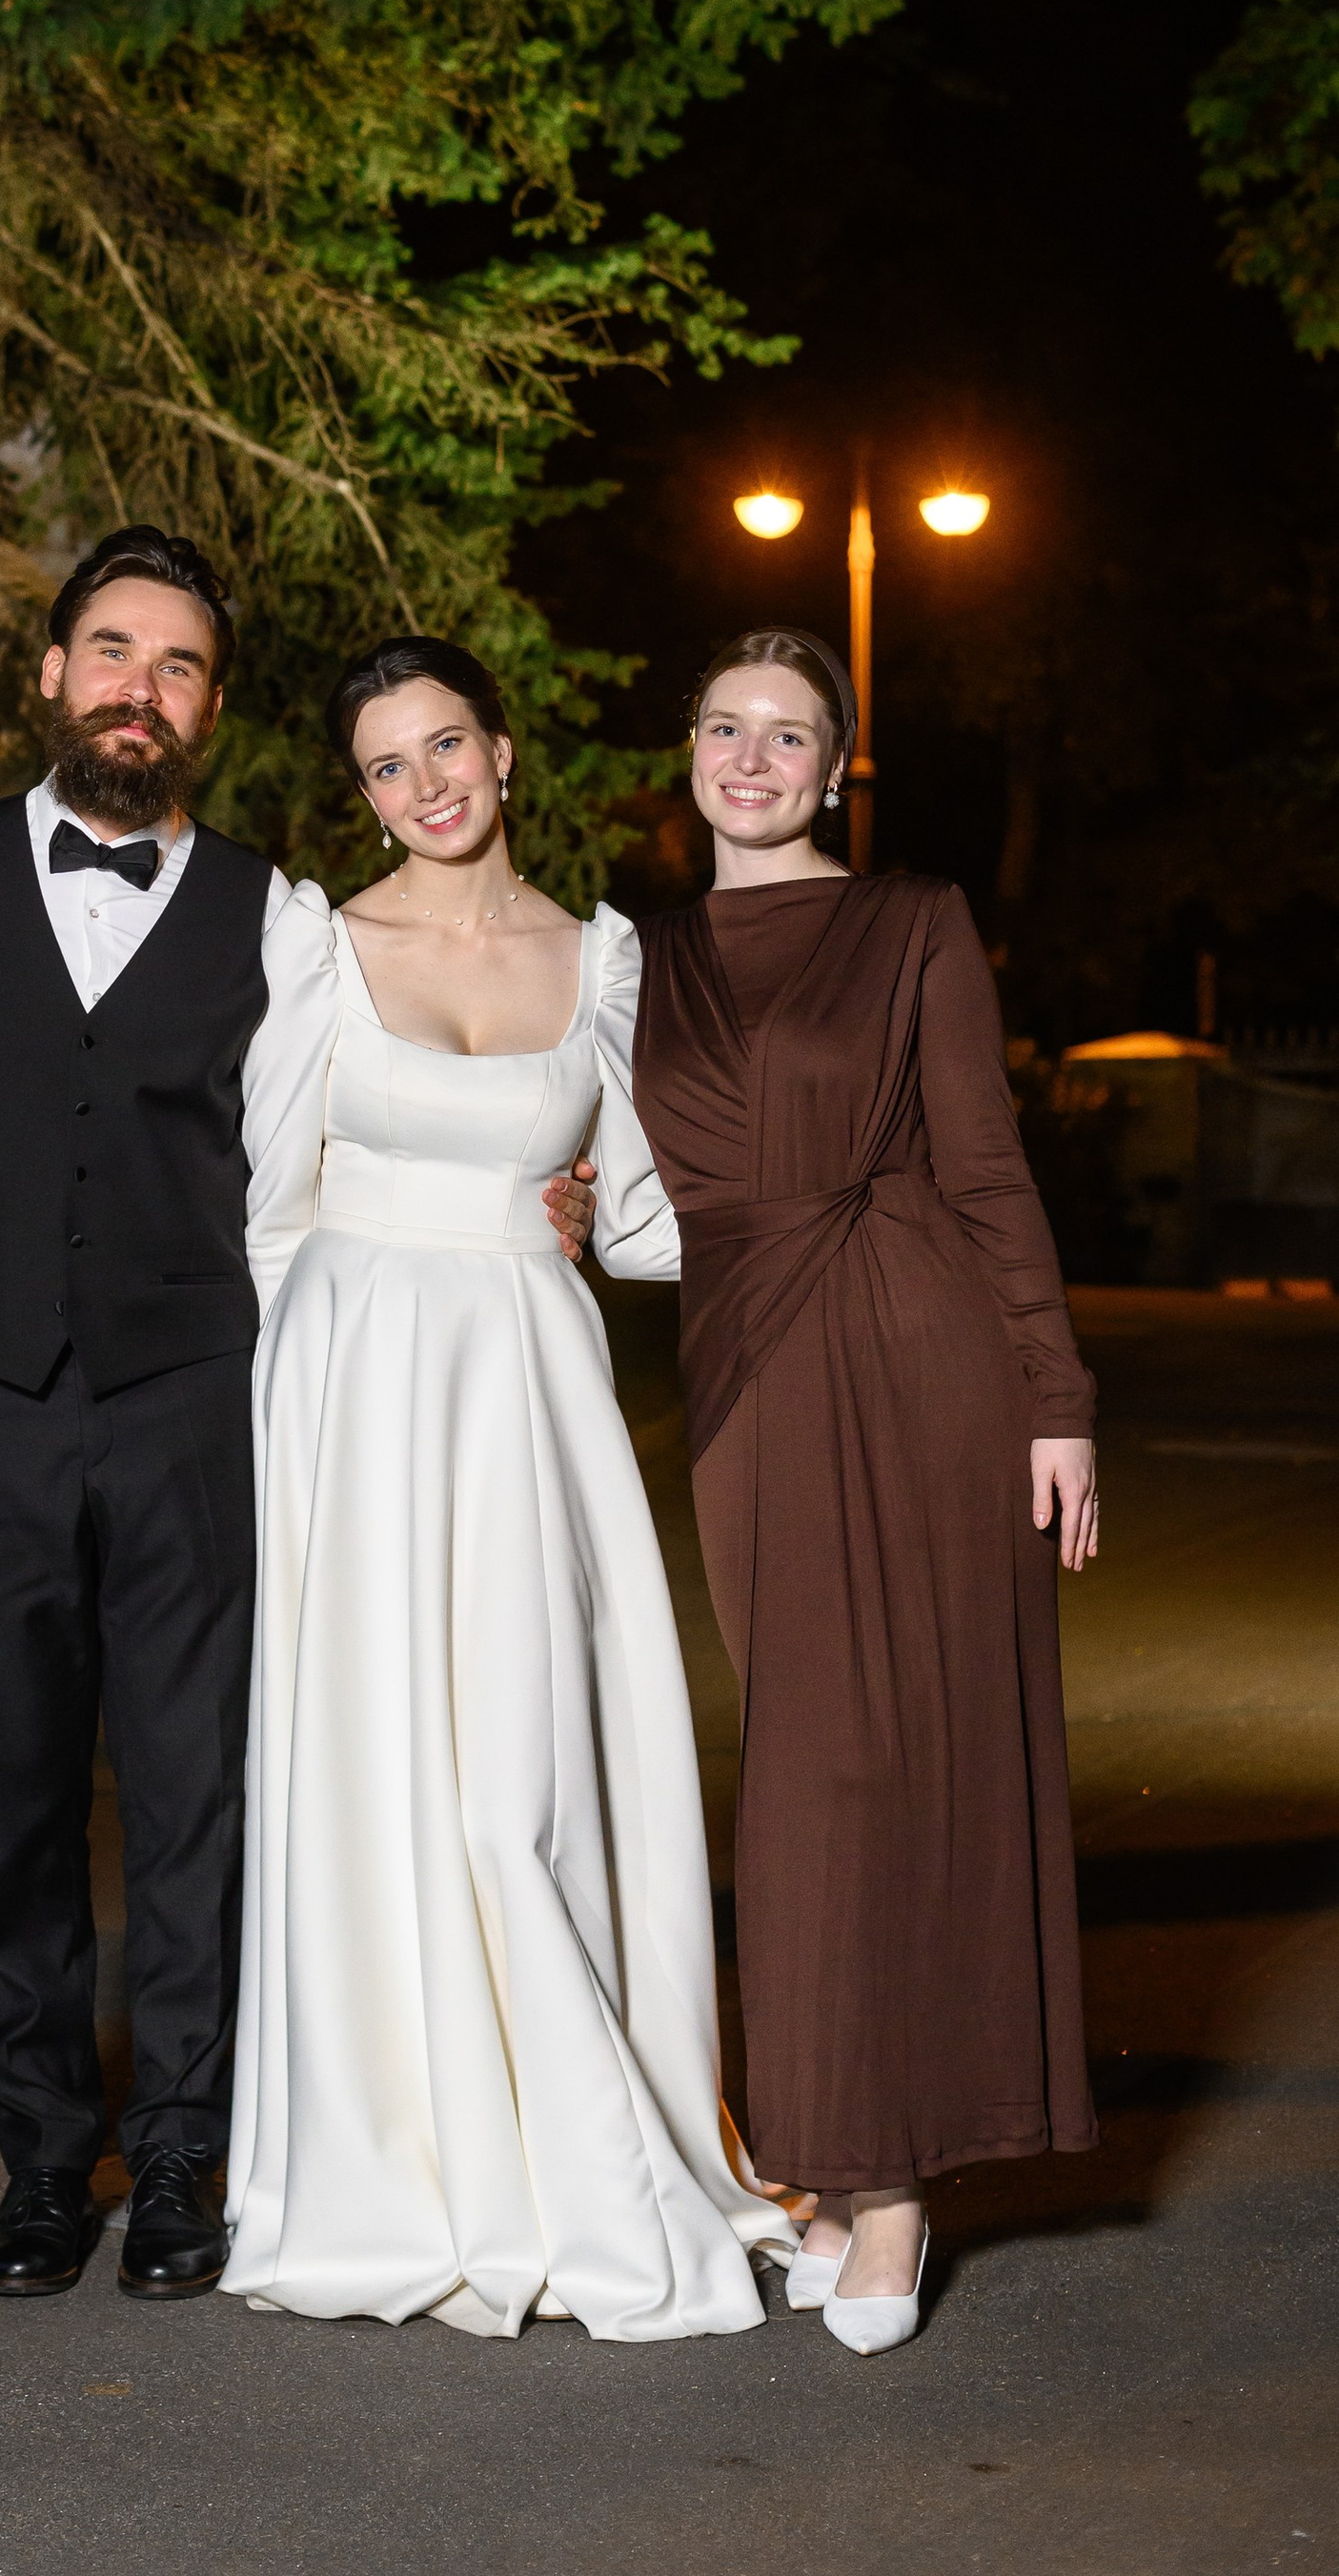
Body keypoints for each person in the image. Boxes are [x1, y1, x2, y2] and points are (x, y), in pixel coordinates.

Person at [0, 530, 594, 2301]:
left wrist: (556, 1187)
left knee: (199, 1788)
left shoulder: (284, 918)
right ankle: (47, 2159)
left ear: (211, 709)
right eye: (109, 651)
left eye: (177, 665)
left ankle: (185, 2158)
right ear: (49, 676)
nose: (138, 687)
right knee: (18, 1789)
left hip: (200, 1393)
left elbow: (347, 1139)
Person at [221, 635, 794, 2340]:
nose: (425, 786)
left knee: (516, 1787)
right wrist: (290, 1427)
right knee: (380, 1778)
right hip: (357, 1381)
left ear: (507, 752)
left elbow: (642, 1216)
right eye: (389, 765)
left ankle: (584, 2164)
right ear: (366, 790)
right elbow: (269, 1209)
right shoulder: (319, 946)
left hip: (528, 1381)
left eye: (446, 746)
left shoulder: (608, 957)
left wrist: (656, 1214)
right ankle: (397, 2164)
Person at [630, 626, 1099, 2357]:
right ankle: (827, 2162)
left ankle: (889, 2190)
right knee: (808, 1775)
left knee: (892, 1759)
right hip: (747, 1374)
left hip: (917, 1355)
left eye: (790, 735)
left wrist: (1056, 1394)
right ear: (690, 749)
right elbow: (621, 1172)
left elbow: (985, 1161)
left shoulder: (910, 921)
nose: (753, 758)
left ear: (836, 770)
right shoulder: (651, 957)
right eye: (725, 725)